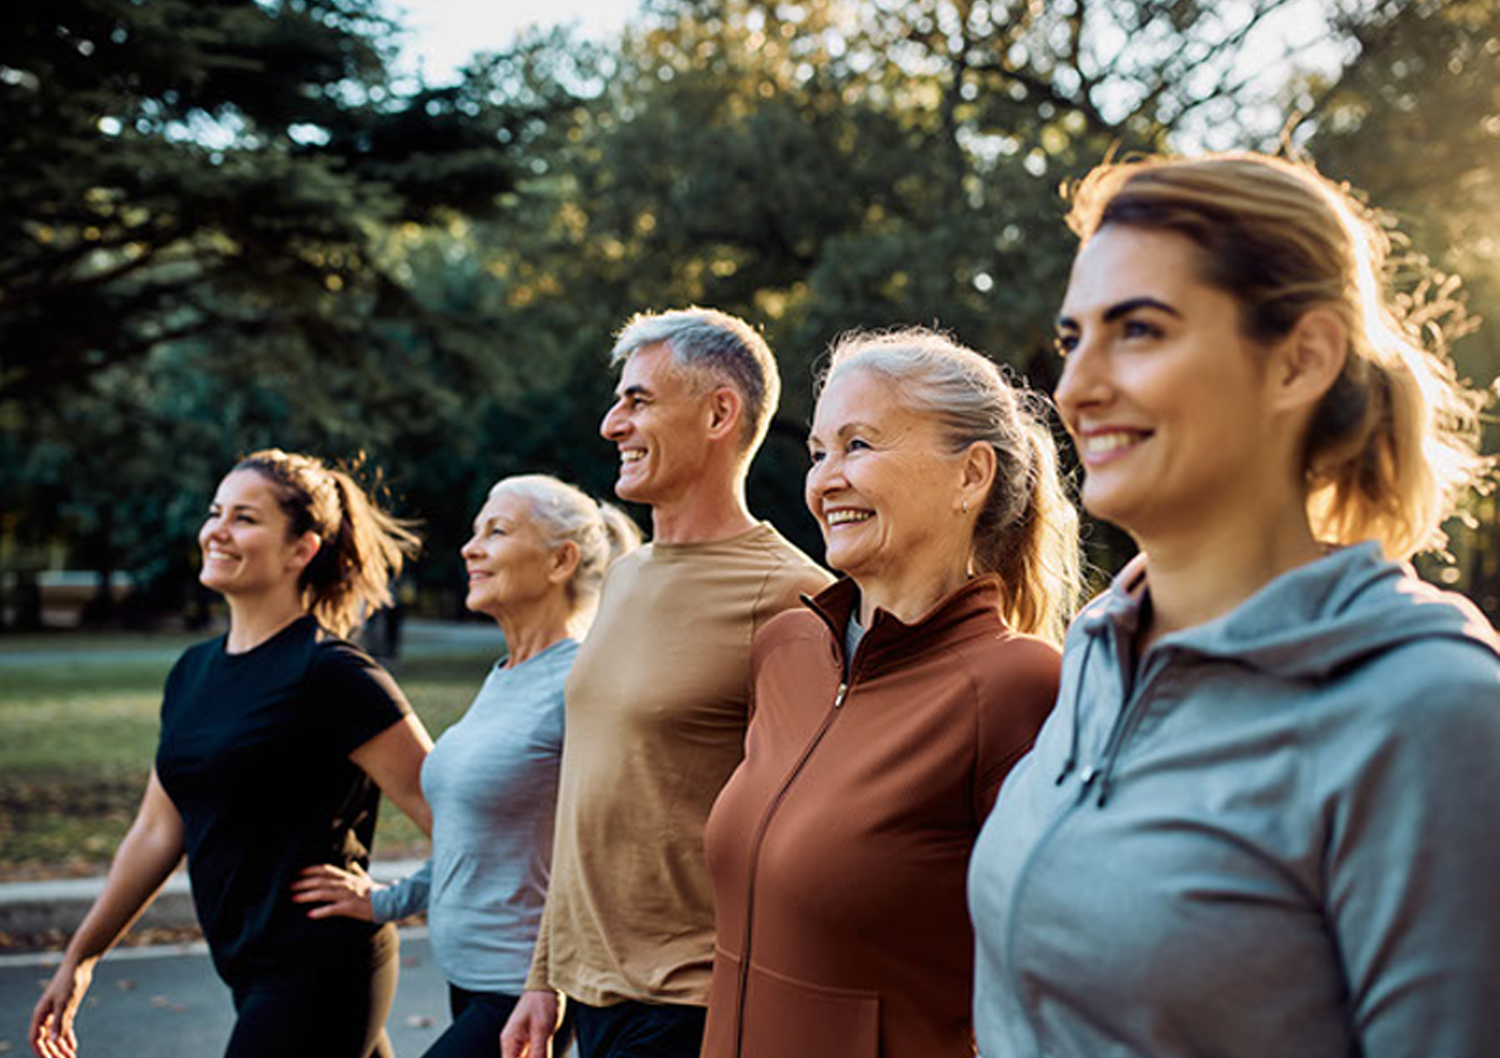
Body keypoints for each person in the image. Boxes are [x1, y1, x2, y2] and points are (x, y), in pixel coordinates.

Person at [969, 151, 1500, 1058]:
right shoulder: (1099, 650)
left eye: (1138, 330)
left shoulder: (1428, 711)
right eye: (1072, 339)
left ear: (1300, 360)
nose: (1075, 388)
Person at [699, 328, 1080, 1058]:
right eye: (818, 452)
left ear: (971, 475)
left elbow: (1061, 988)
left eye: (859, 446)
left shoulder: (1021, 686)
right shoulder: (785, 651)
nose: (824, 479)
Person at [501, 308, 833, 1058]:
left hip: (693, 1004)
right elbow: (588, 790)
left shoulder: (791, 593)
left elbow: (814, 830)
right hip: (590, 995)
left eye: (638, 400)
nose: (611, 424)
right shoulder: (624, 577)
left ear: (720, 412)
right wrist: (543, 977)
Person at [29, 449, 435, 1058]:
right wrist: (81, 957)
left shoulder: (336, 676)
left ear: (302, 549)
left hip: (320, 968)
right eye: (216, 512)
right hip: (246, 968)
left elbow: (466, 816)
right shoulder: (192, 673)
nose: (216, 530)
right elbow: (156, 832)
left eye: (245, 518)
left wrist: (391, 898)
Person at [289, 474, 640, 1058]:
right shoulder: (504, 676)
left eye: (497, 532)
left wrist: (549, 983)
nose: (470, 548)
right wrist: (385, 901)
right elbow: (473, 841)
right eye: (475, 532)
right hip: (470, 976)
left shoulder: (582, 682)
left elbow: (604, 853)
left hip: (525, 992)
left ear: (561, 561)